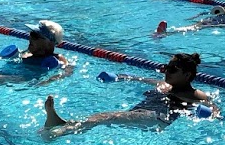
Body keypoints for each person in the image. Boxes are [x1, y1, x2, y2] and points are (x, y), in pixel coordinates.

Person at [42, 52, 212, 135]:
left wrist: (212, 115)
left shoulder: (197, 95)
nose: (167, 71)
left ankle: (59, 132)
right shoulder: (163, 84)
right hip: (142, 113)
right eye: (167, 67)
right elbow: (137, 79)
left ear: (187, 75)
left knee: (106, 117)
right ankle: (63, 124)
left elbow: (214, 109)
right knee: (105, 117)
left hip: (159, 119)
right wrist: (118, 77)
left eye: (173, 69)